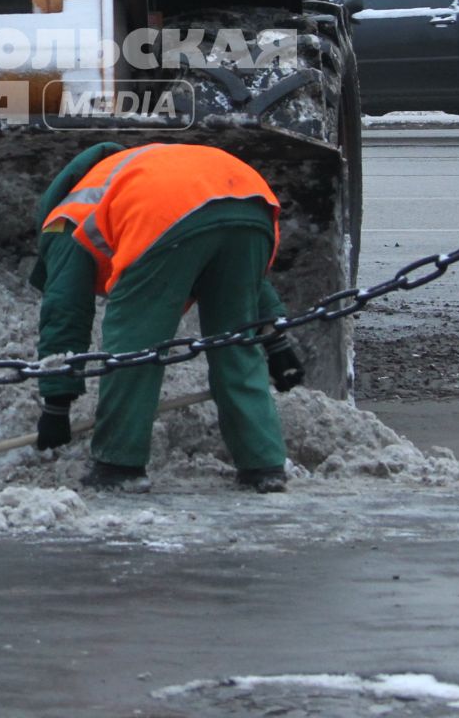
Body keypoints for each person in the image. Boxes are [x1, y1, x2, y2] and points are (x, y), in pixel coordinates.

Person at [32, 142, 305, 493]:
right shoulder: (131, 171)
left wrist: (56, 403)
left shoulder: (64, 220)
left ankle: (118, 464)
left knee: (134, 344)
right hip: (250, 198)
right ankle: (264, 464)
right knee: (237, 340)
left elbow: (65, 311)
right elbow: (241, 274)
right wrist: (273, 336)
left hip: (165, 213)